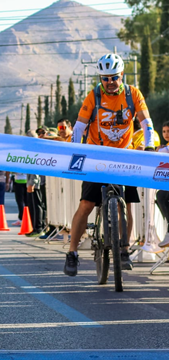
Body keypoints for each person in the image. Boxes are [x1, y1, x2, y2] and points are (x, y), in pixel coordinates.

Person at [64, 53, 156, 277]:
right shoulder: (93, 96)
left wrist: (150, 144)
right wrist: (79, 150)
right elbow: (78, 128)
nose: (109, 82)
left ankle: (123, 250)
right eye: (104, 78)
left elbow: (146, 122)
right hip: (97, 155)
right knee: (86, 204)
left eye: (114, 77)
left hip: (125, 157)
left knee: (126, 203)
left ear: (121, 75)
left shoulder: (133, 94)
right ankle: (72, 252)